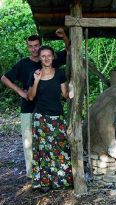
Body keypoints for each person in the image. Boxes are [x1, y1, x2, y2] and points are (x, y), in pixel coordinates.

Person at [0, 28, 69, 179]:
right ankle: (33, 175)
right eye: (30, 46)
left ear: (41, 45)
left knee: (49, 143)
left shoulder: (49, 59)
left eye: (36, 45)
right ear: (28, 47)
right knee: (29, 142)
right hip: (28, 108)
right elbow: (4, 78)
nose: (34, 49)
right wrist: (19, 91)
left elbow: (69, 51)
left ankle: (51, 173)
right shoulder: (23, 64)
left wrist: (64, 36)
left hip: (48, 110)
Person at [27, 46, 73, 192]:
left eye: (49, 56)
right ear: (39, 58)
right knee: (43, 150)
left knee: (60, 148)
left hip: (57, 117)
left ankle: (62, 181)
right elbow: (30, 97)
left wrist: (73, 88)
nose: (46, 58)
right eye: (43, 56)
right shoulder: (35, 73)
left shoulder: (59, 74)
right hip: (40, 118)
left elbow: (65, 94)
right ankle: (45, 183)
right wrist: (36, 81)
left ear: (53, 57)